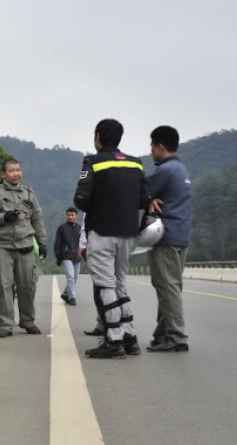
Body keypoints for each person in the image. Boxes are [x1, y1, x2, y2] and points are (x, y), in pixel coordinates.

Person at [73, 119, 161, 358]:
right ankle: (130, 337)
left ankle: (113, 341)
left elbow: (80, 200)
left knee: (105, 286)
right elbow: (145, 200)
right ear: (119, 138)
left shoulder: (92, 161)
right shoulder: (136, 163)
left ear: (98, 137)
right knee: (120, 284)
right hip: (129, 234)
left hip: (102, 232)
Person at [0, 158, 48, 338]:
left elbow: (37, 219)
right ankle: (5, 325)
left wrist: (42, 243)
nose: (16, 174)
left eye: (18, 170)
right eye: (11, 171)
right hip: (2, 245)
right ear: (3, 174)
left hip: (25, 245)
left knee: (27, 286)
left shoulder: (29, 193)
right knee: (4, 286)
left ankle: (27, 321)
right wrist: (3, 217)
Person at [146, 126, 193, 352]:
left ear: (160, 147)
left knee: (167, 287)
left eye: (152, 146)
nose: (151, 150)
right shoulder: (181, 170)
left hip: (166, 237)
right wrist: (150, 199)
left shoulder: (164, 170)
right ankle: (162, 333)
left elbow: (139, 191)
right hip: (182, 236)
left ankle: (176, 336)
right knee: (172, 286)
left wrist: (147, 200)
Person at [54, 207, 82, 305]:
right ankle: (72, 298)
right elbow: (57, 243)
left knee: (75, 276)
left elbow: (83, 243)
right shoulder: (61, 228)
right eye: (68, 215)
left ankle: (66, 293)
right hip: (66, 255)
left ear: (76, 216)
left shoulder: (79, 228)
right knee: (70, 276)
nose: (70, 217)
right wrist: (58, 257)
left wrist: (83, 254)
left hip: (77, 256)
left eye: (72, 215)